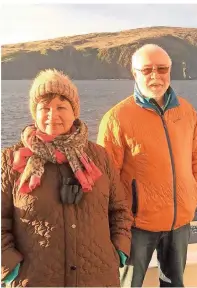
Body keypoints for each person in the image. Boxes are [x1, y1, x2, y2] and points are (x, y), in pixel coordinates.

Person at [1, 69, 133, 287]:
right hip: (36, 280)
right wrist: (10, 265)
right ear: (35, 113)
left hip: (98, 277)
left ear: (74, 112)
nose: (53, 115)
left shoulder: (99, 157)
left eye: (61, 107)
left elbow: (119, 209)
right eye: (45, 108)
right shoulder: (11, 160)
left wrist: (118, 248)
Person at [97, 44, 197, 287]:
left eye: (162, 68)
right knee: (128, 284)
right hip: (137, 225)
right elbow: (106, 177)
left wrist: (196, 191)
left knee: (174, 283)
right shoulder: (116, 118)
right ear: (134, 73)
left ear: (170, 70)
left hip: (179, 221)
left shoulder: (186, 111)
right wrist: (119, 217)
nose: (155, 75)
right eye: (146, 69)